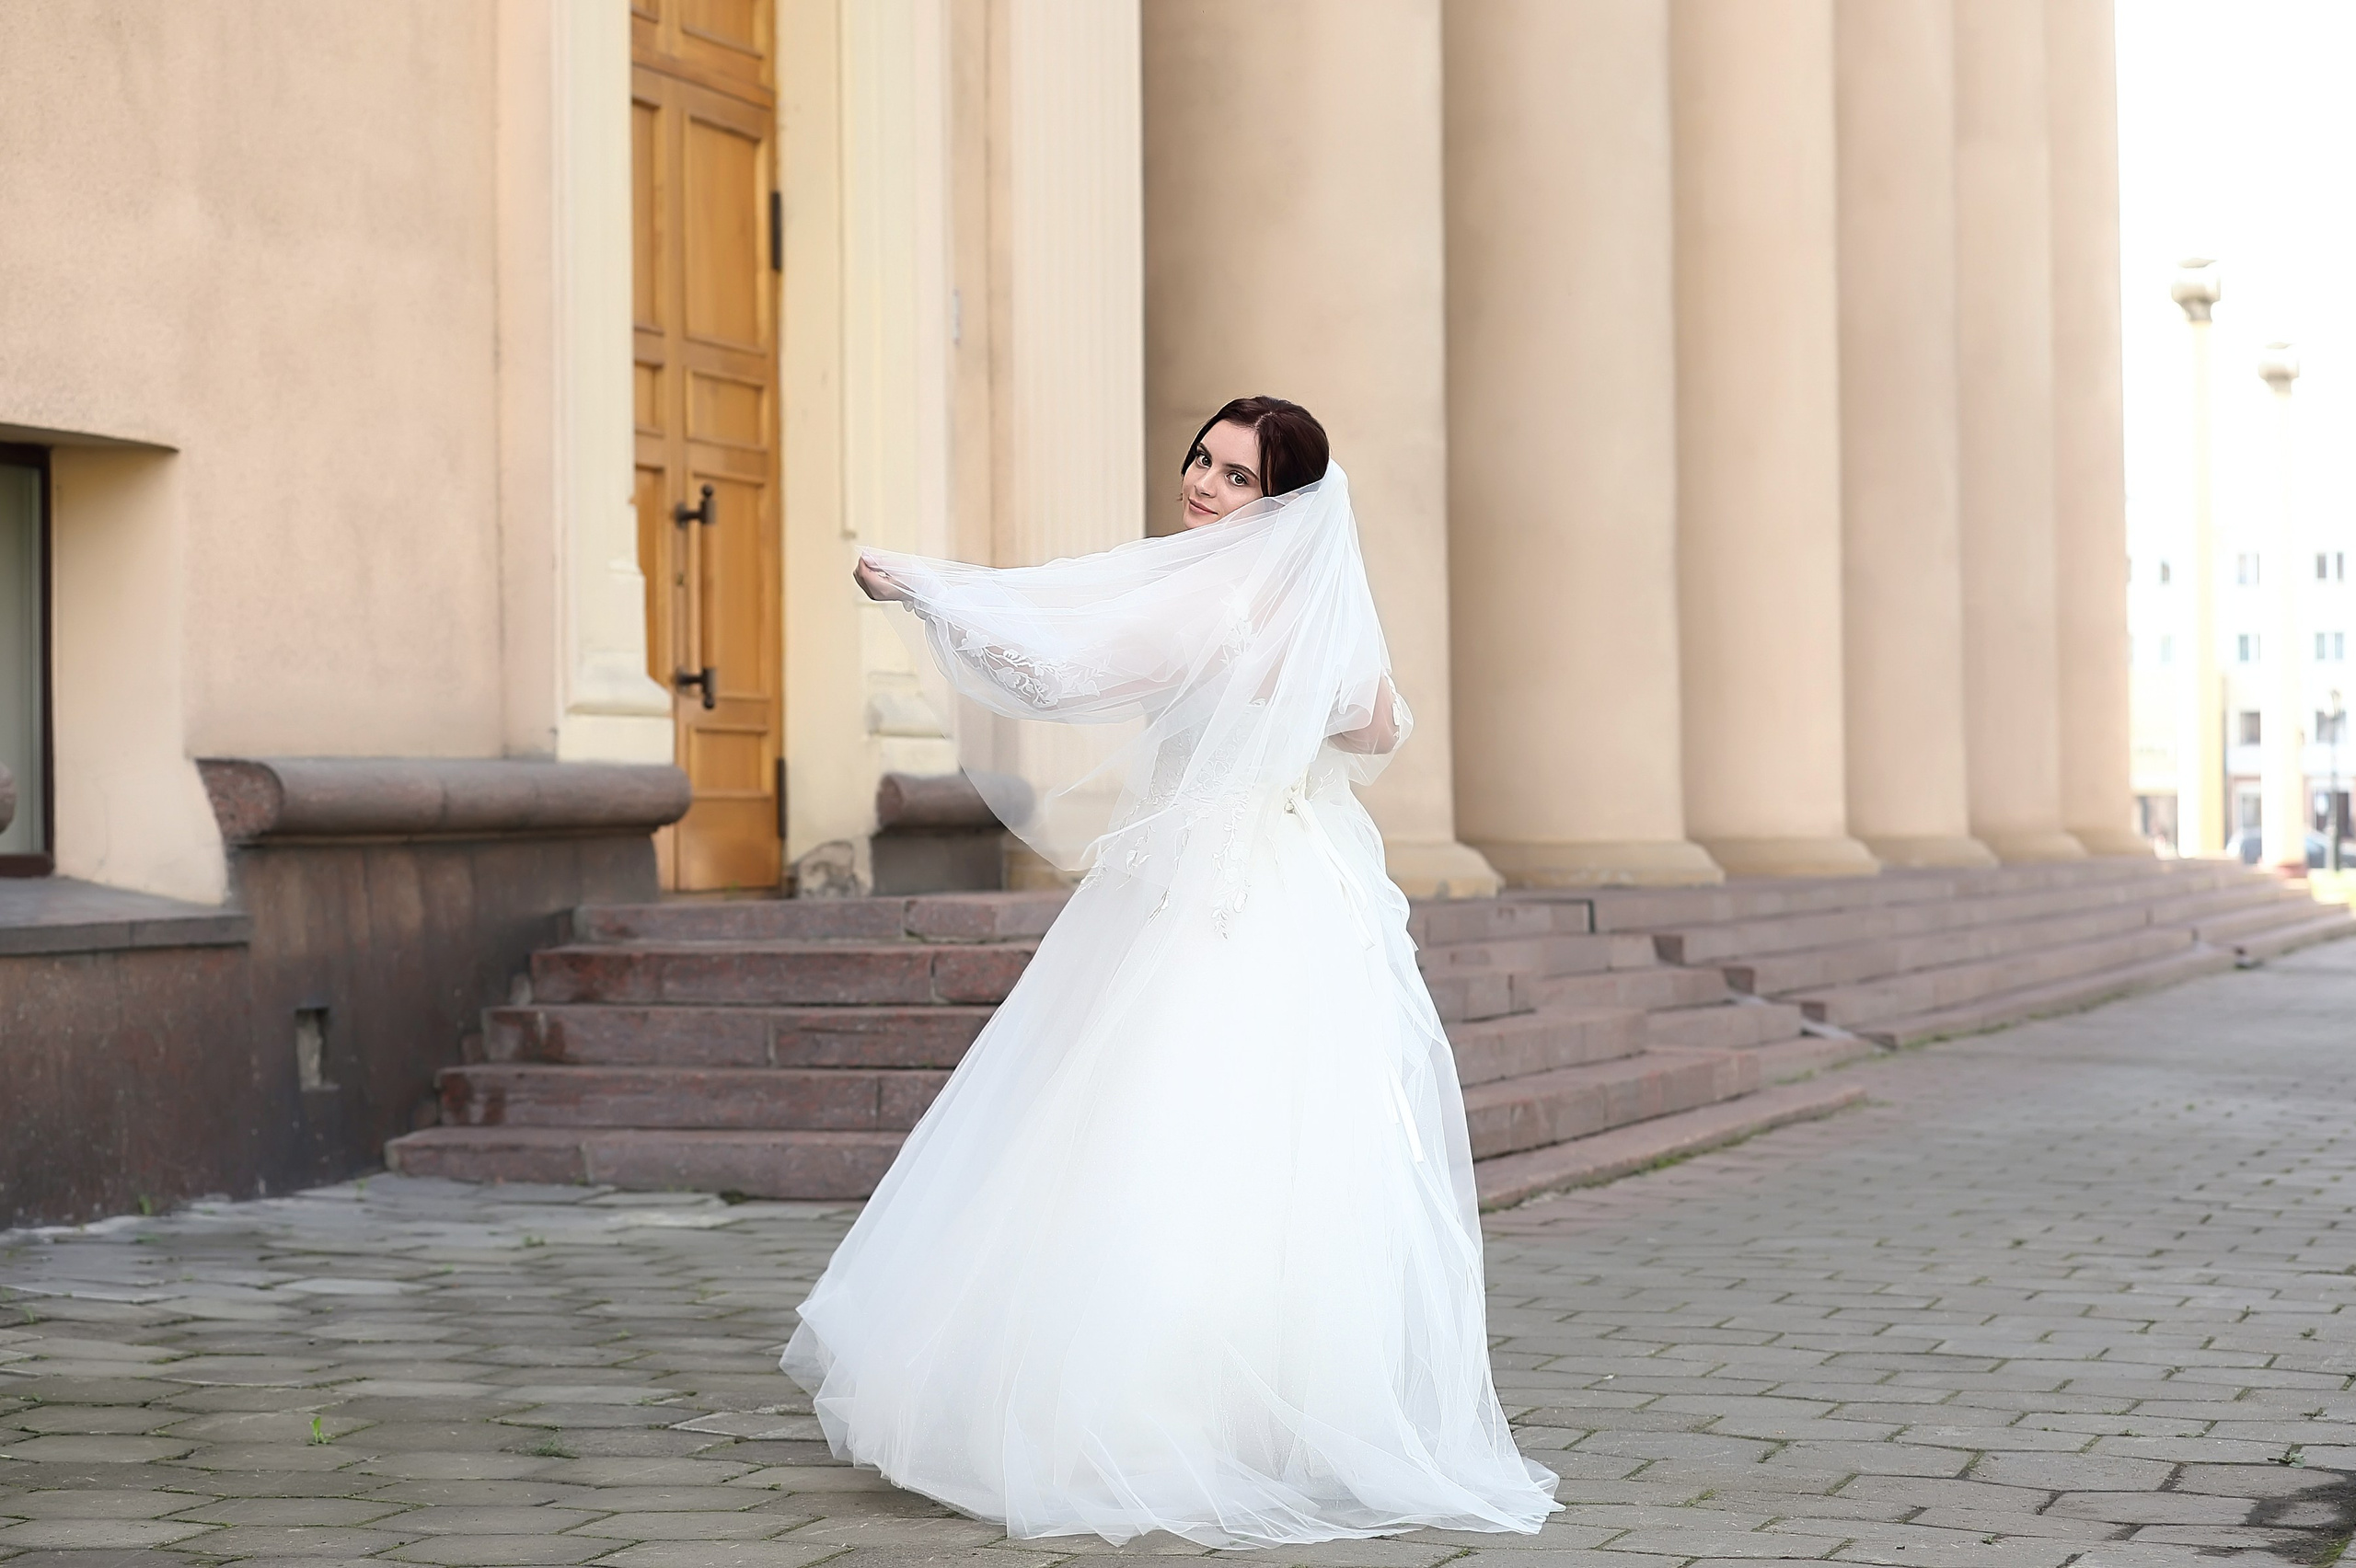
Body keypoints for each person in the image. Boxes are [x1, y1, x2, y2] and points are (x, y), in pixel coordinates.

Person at [781, 397, 1560, 1548]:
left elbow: (1057, 678)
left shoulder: (1215, 600)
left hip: (1207, 894)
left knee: (1156, 1128)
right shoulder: (1314, 607)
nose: (1202, 482)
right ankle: (1265, 1414)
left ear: (1277, 502)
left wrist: (929, 594)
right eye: (1203, 459)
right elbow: (1378, 726)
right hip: (1293, 884)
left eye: (1236, 477)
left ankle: (1139, 1417)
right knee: (1273, 1146)